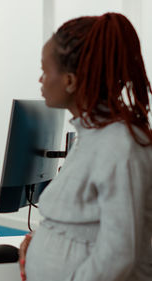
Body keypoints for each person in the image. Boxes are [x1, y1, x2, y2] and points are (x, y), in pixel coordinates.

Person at [18, 13, 152, 281]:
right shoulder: (91, 136)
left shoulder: (121, 145)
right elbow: (85, 226)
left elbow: (119, 255)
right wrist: (42, 241)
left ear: (69, 81)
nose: (40, 80)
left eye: (45, 71)